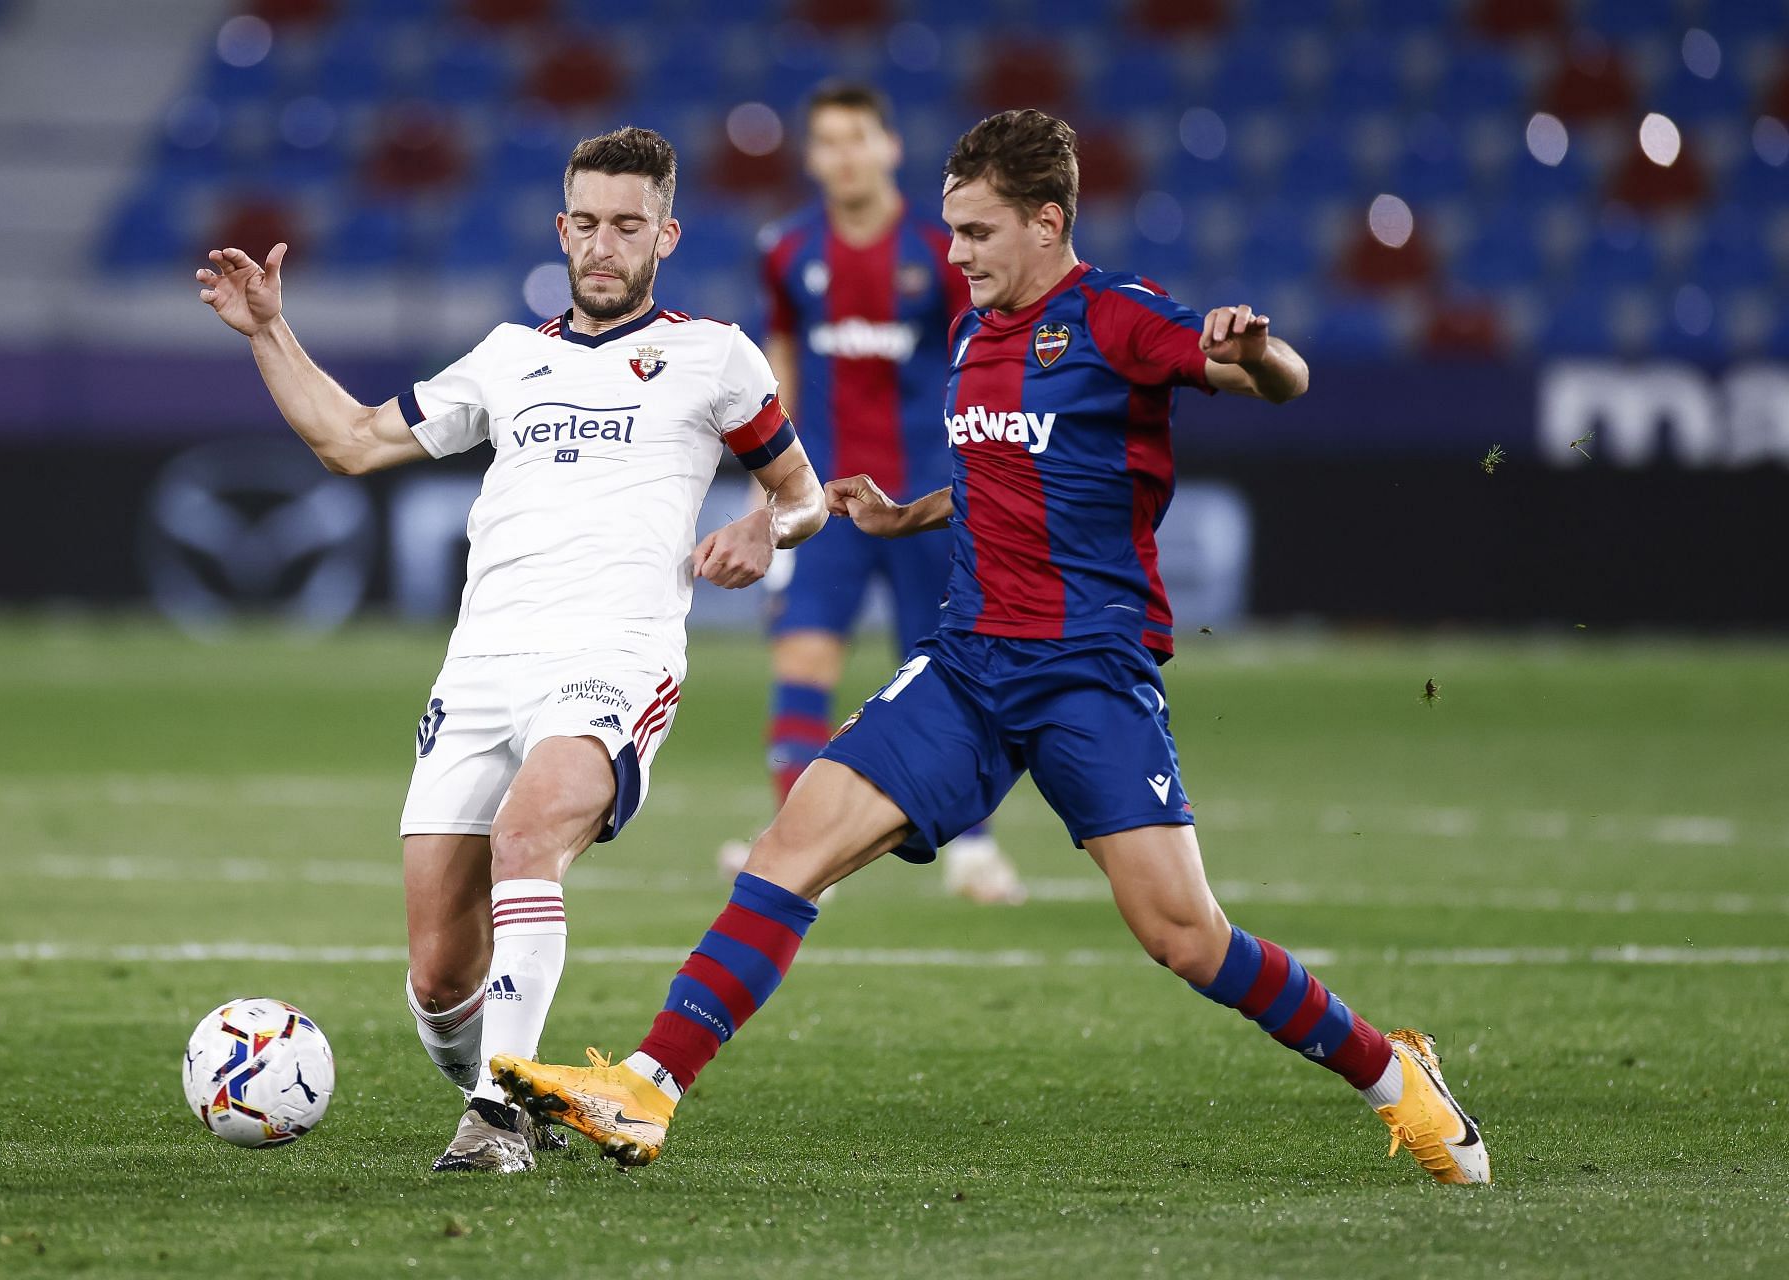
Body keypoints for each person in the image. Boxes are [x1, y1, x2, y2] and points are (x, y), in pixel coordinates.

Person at [492, 110, 1491, 1187]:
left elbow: (1276, 378)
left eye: (975, 231)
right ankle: (648, 1087)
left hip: (1086, 673)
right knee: (792, 846)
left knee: (1185, 934)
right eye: (951, 230)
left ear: (1047, 221)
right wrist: (905, 517)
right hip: (967, 663)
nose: (954, 254)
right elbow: (995, 472)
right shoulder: (977, 331)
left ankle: (1395, 1072)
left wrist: (1260, 350)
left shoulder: (1117, 319)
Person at [196, 126, 826, 1175]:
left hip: (615, 655)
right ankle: (504, 1077)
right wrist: (270, 331)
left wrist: (768, 527)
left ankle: (494, 1115)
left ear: (664, 233)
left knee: (530, 835)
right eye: (586, 222)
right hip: (481, 667)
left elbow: (801, 493)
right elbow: (352, 440)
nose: (603, 243)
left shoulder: (713, 356)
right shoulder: (507, 357)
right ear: (561, 228)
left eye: (628, 224)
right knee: (443, 971)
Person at [720, 82, 1025, 905]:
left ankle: (976, 850)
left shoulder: (941, 249)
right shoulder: (787, 249)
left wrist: (983, 472)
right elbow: (781, 355)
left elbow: (987, 356)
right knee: (803, 657)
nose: (843, 155)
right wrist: (771, 476)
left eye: (858, 138)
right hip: (825, 499)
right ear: (812, 157)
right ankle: (795, 851)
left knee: (946, 674)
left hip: (925, 495)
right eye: (827, 141)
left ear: (890, 147)